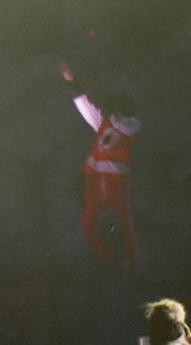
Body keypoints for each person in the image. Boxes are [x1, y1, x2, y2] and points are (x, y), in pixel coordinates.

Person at [60, 61, 142, 278]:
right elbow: (85, 106)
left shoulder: (130, 126)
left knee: (125, 222)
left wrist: (114, 111)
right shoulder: (104, 123)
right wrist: (73, 82)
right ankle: (112, 263)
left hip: (116, 181)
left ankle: (134, 267)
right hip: (98, 182)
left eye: (115, 109)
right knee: (86, 225)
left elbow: (127, 125)